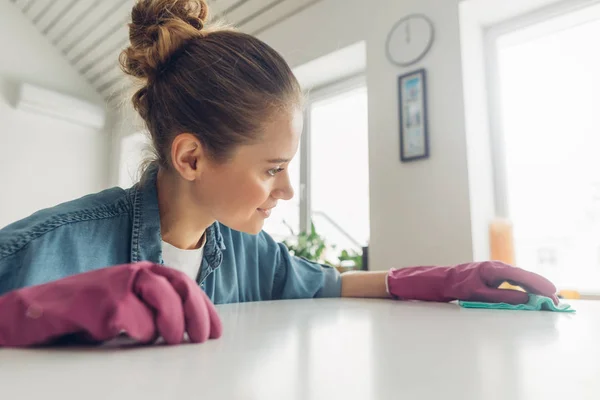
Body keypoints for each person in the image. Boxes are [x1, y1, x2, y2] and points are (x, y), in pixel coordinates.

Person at [0, 0, 558, 347]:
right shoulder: (51, 245)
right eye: (272, 170)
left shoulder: (247, 251)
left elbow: (329, 285)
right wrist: (30, 312)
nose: (287, 191)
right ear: (191, 158)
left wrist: (442, 281)